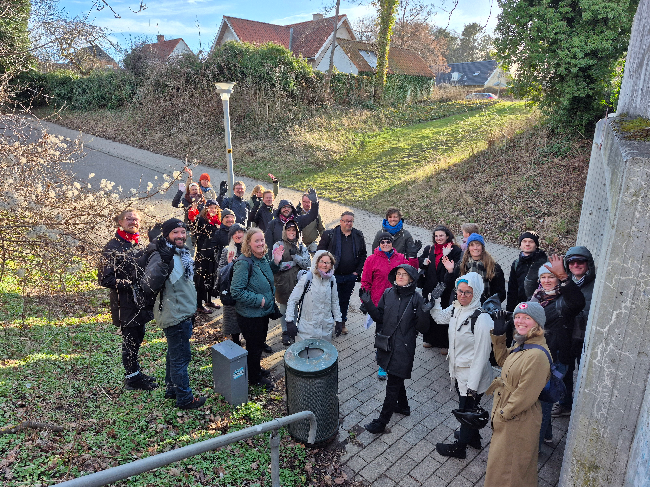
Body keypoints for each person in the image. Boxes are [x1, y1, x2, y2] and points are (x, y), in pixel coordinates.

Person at [484, 302, 551, 487]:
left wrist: (503, 414)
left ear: (538, 323)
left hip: (517, 418)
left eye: (527, 318)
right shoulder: (524, 342)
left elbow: (525, 394)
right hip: (511, 414)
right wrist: (499, 335)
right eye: (517, 317)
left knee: (509, 472)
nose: (520, 321)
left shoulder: (536, 355)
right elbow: (502, 361)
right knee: (503, 467)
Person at [142, 218, 205, 409]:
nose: (180, 236)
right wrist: (164, 260)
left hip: (181, 311)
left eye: (182, 232)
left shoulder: (180, 252)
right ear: (167, 234)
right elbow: (149, 285)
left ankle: (172, 389)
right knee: (181, 359)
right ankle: (185, 398)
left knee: (173, 355)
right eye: (175, 232)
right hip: (175, 314)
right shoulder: (161, 255)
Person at [430, 272, 494, 458]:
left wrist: (472, 387)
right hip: (459, 373)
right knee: (469, 410)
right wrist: (434, 301)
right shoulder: (457, 308)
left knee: (466, 411)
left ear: (477, 293)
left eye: (468, 292)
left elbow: (482, 356)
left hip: (472, 377)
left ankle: (459, 448)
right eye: (460, 291)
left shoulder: (482, 319)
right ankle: (474, 439)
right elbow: (439, 318)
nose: (462, 295)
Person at [360, 264, 429, 433]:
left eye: (404, 274)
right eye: (398, 273)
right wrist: (368, 303)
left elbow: (423, 328)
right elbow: (379, 318)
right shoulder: (388, 293)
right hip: (388, 345)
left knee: (392, 386)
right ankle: (404, 407)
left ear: (411, 278)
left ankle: (381, 422)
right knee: (395, 376)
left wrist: (425, 312)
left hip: (403, 348)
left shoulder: (416, 298)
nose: (400, 276)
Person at [99, 209, 156, 391]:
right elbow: (105, 279)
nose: (133, 222)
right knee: (130, 342)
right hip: (124, 303)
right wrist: (131, 284)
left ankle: (136, 373)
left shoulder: (139, 243)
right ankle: (132, 379)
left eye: (136, 219)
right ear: (120, 222)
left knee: (138, 338)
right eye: (129, 219)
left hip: (141, 302)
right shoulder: (112, 247)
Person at [531, 255, 585, 447]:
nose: (546, 281)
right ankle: (546, 436)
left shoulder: (565, 299)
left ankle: (535, 448)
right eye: (543, 277)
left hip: (555, 358)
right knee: (541, 401)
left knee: (543, 404)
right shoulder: (537, 296)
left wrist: (564, 277)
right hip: (538, 355)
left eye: (551, 277)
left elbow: (578, 302)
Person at [360, 232, 419, 379]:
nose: (385, 244)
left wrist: (413, 257)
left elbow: (412, 272)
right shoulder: (371, 259)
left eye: (388, 242)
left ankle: (394, 357)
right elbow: (365, 281)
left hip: (399, 299)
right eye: (383, 242)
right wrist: (365, 302)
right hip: (379, 301)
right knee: (381, 332)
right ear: (379, 244)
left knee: (396, 332)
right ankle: (382, 363)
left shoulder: (400, 258)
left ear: (392, 243)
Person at [230, 228, 283, 390]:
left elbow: (264, 274)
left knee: (258, 344)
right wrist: (259, 300)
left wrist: (275, 262)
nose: (260, 243)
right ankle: (254, 378)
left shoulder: (261, 257)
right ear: (248, 243)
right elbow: (236, 291)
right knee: (254, 346)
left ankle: (255, 369)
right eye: (256, 241)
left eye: (262, 240)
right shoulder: (243, 263)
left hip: (262, 312)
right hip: (250, 315)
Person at [553, 246, 596, 418]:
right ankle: (565, 404)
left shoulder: (597, 284)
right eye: (572, 262)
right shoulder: (562, 283)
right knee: (565, 372)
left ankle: (585, 409)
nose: (576, 265)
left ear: (588, 263)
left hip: (586, 338)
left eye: (580, 261)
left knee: (587, 375)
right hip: (567, 336)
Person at [317, 211, 367, 335]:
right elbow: (319, 253)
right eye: (346, 221)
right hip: (332, 275)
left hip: (350, 276)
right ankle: (328, 324)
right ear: (340, 221)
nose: (348, 223)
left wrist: (357, 272)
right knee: (329, 300)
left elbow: (363, 254)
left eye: (351, 221)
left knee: (344, 301)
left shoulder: (358, 235)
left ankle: (342, 323)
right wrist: (325, 270)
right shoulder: (330, 234)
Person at [419, 225, 462, 352]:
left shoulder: (455, 250)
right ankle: (429, 339)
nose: (438, 238)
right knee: (430, 313)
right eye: (436, 236)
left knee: (444, 314)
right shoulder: (430, 248)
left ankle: (444, 343)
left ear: (447, 236)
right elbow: (420, 261)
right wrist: (424, 262)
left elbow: (457, 269)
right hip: (430, 287)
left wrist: (447, 257)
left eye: (441, 235)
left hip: (446, 288)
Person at [285, 250, 342, 342]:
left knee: (322, 350)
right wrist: (289, 321)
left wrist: (338, 320)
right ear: (316, 262)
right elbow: (292, 300)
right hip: (307, 329)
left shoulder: (332, 279)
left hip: (325, 329)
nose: (324, 265)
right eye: (321, 261)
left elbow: (334, 301)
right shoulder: (307, 278)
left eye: (328, 262)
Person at [272, 221, 311, 345]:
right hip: (283, 283)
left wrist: (296, 257)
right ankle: (285, 332)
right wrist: (293, 263)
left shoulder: (301, 246)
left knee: (296, 307)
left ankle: (294, 329)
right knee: (284, 308)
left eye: (293, 230)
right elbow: (276, 265)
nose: (291, 232)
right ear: (284, 231)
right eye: (288, 230)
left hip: (298, 282)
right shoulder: (278, 245)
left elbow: (307, 264)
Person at [442, 233, 506, 304]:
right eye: (472, 245)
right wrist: (450, 271)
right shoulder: (461, 265)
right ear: (468, 248)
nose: (475, 248)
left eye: (478, 245)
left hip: (484, 306)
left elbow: (501, 293)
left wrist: (490, 303)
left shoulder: (493, 267)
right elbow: (450, 285)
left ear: (482, 247)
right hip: (463, 305)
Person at [217, 223, 246, 346]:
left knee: (249, 319)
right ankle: (236, 341)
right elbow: (220, 272)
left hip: (248, 289)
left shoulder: (250, 249)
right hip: (232, 290)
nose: (238, 235)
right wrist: (229, 264)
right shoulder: (227, 250)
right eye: (235, 233)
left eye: (240, 232)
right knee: (233, 319)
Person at [191, 199, 221, 314]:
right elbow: (194, 229)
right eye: (211, 207)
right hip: (202, 254)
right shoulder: (201, 220)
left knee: (211, 277)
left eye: (215, 208)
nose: (213, 210)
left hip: (212, 253)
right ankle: (199, 305)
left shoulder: (216, 221)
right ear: (206, 208)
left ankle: (208, 301)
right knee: (201, 280)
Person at [507, 231, 548, 311]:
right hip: (521, 306)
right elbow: (512, 289)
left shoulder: (544, 263)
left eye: (531, 242)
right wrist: (510, 311)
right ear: (520, 245)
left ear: (536, 245)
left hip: (539, 307)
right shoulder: (516, 263)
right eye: (524, 241)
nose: (527, 244)